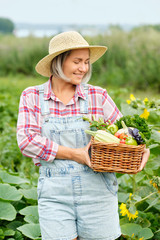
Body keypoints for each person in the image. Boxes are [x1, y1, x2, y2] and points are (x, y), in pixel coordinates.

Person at [17, 31, 150, 240]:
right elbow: (26, 141)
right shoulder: (32, 96)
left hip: (98, 194)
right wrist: (74, 154)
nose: (84, 68)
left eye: (87, 62)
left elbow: (126, 133)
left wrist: (142, 149)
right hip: (55, 197)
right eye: (77, 61)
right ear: (58, 62)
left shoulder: (98, 96)